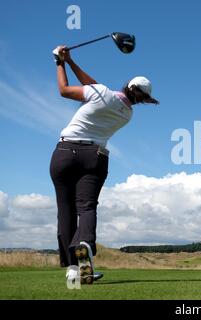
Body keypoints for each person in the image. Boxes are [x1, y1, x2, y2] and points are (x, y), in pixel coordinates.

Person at [49, 46, 159, 284]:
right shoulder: (127, 114)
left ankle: (72, 268)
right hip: (95, 157)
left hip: (65, 152)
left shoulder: (101, 93)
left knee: (65, 210)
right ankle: (84, 249)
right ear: (142, 99)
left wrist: (59, 61)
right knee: (86, 207)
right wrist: (71, 61)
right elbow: (96, 86)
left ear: (127, 84)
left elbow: (64, 90)